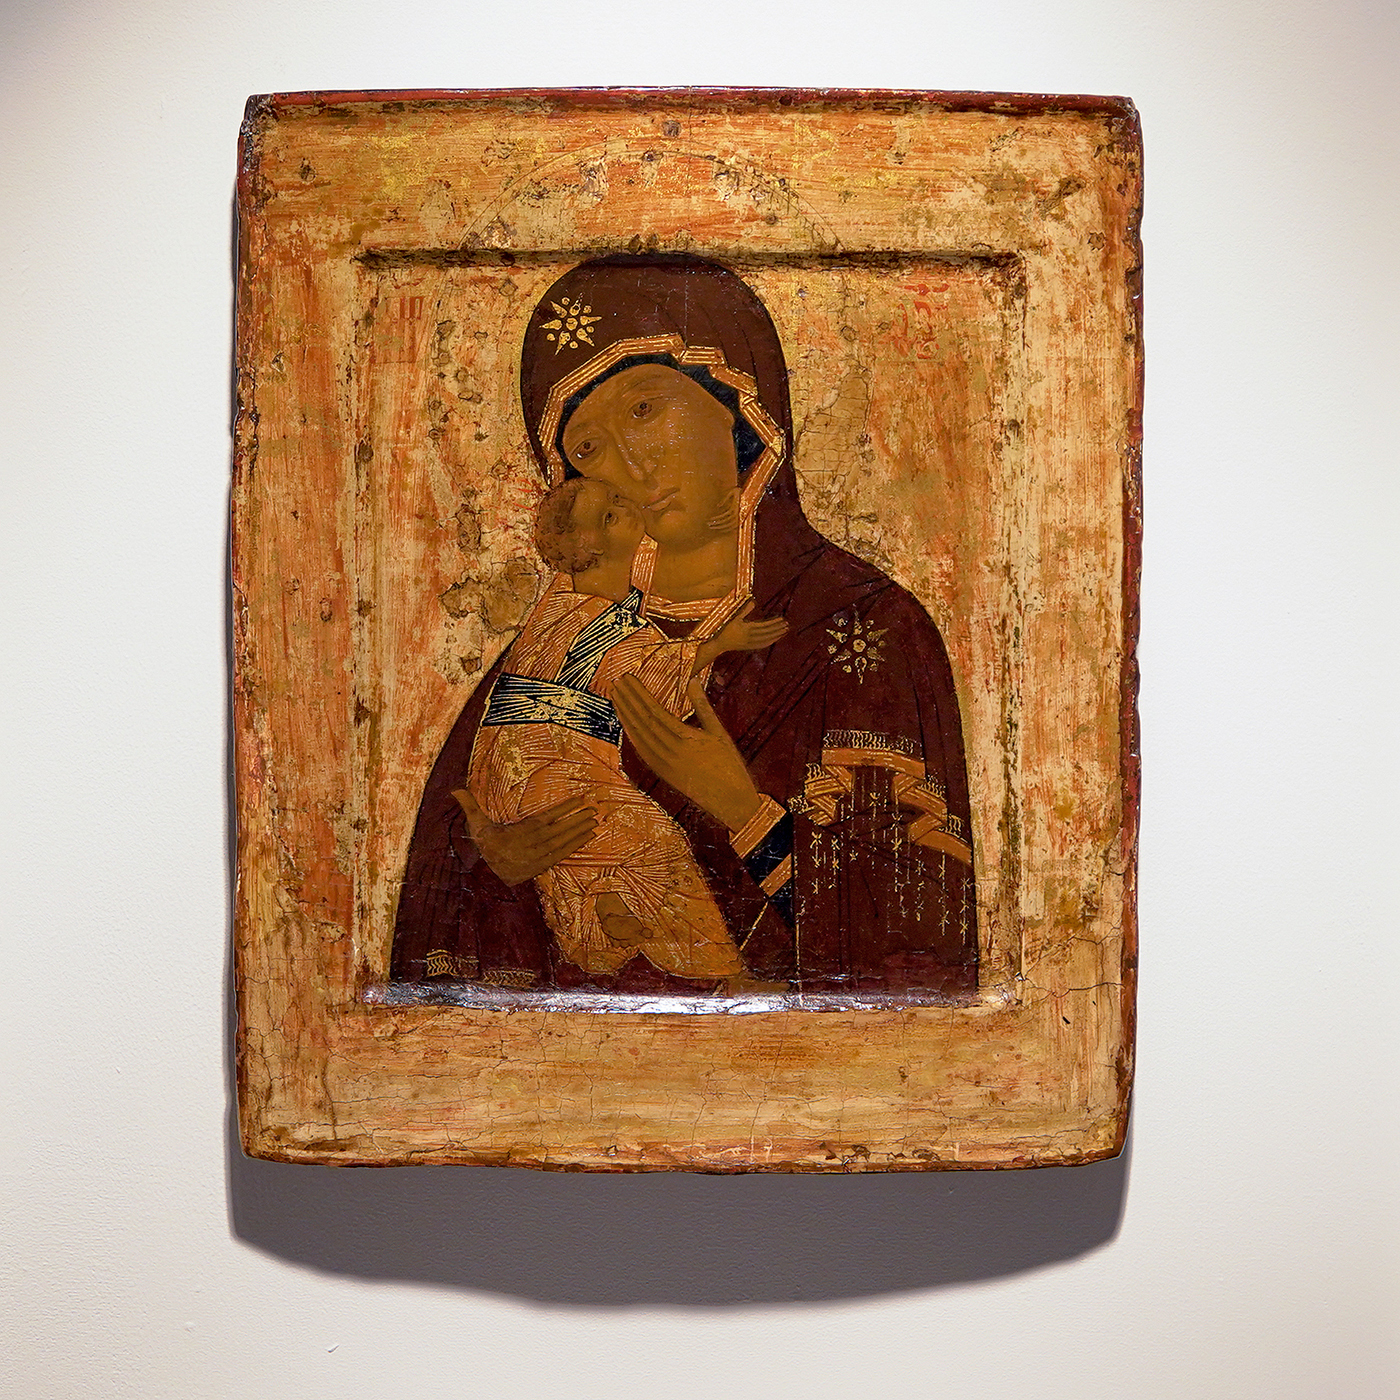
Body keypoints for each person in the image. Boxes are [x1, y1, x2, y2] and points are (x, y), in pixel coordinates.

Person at [391, 254, 978, 997]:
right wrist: (493, 860)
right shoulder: (544, 662)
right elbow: (437, 951)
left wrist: (743, 808)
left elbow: (923, 950)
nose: (631, 465)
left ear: (737, 400)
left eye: (644, 409)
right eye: (588, 447)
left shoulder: (862, 627)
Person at [461, 475, 786, 988]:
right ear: (588, 549)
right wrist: (720, 644)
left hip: (508, 765)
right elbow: (648, 685)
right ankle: (727, 973)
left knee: (575, 862)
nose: (626, 503)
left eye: (616, 498)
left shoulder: (562, 603)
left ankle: (604, 917)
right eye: (611, 514)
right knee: (658, 846)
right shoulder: (603, 619)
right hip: (550, 758)